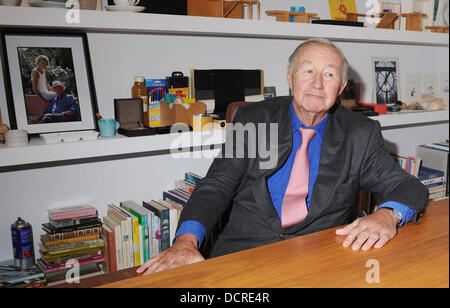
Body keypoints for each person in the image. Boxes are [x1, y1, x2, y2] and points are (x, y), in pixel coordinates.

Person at [137, 38, 429, 275]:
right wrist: (186, 242)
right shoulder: (254, 119)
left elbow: (408, 187)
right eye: (308, 71)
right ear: (290, 77)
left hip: (320, 262)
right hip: (242, 256)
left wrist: (387, 214)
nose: (317, 83)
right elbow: (217, 185)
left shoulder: (360, 133)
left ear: (340, 88)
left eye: (329, 74)